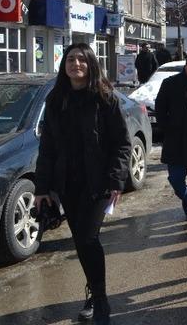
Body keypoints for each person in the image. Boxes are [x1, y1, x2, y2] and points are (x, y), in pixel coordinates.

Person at [34, 43, 131, 324]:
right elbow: (48, 147)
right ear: (64, 65)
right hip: (68, 184)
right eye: (70, 59)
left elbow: (122, 144)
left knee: (89, 239)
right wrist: (42, 188)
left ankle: (100, 299)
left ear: (90, 64)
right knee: (81, 242)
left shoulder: (105, 98)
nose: (75, 64)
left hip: (98, 182)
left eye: (81, 60)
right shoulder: (56, 99)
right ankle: (93, 291)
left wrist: (116, 180)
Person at [156, 51, 187, 231]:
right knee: (176, 180)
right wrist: (168, 128)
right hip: (175, 142)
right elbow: (160, 110)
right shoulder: (170, 84)